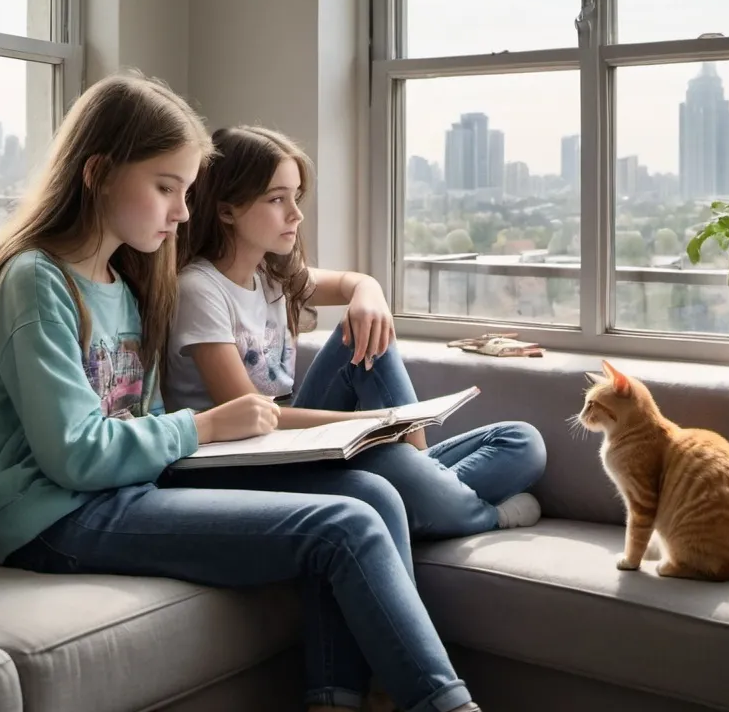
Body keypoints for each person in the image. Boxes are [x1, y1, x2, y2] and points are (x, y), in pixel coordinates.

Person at [0, 71, 481, 712]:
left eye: (188, 191)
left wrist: (215, 446)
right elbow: (74, 455)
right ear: (98, 173)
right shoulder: (35, 283)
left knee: (369, 490)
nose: (184, 212)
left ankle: (339, 696)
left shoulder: (123, 279)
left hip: (132, 485)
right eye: (166, 188)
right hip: (55, 518)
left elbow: (142, 415)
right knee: (344, 525)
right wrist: (203, 428)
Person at [167, 125, 547, 540]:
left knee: (522, 442)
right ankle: (474, 512)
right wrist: (377, 424)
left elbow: (353, 284)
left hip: (290, 443)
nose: (296, 213)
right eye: (277, 199)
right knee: (391, 463)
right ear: (226, 210)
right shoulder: (200, 289)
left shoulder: (272, 275)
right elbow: (249, 417)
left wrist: (369, 291)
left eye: (296, 196)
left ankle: (426, 484)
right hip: (245, 458)